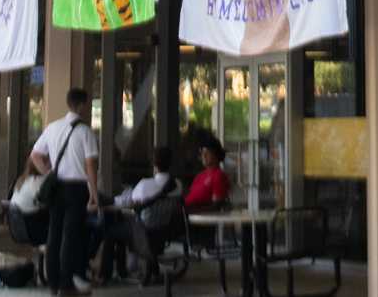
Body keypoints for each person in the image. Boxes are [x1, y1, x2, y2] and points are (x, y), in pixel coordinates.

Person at [26, 87, 100, 295]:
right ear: (83, 105)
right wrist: (94, 194)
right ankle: (66, 285)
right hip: (77, 189)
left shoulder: (52, 128)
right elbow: (90, 167)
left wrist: (48, 172)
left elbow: (35, 155)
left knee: (54, 235)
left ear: (68, 103)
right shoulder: (86, 132)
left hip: (57, 187)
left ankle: (53, 284)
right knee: (70, 236)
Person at [94, 145, 181, 282]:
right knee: (121, 227)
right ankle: (124, 270)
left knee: (111, 233)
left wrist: (106, 199)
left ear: (154, 163)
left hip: (142, 232)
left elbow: (125, 202)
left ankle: (105, 275)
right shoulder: (177, 185)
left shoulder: (145, 185)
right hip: (164, 232)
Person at [182, 136, 230, 212]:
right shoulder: (200, 176)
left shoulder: (219, 175)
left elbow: (216, 206)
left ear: (216, 154)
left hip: (201, 220)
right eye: (202, 153)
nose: (204, 156)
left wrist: (191, 211)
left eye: (207, 152)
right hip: (186, 216)